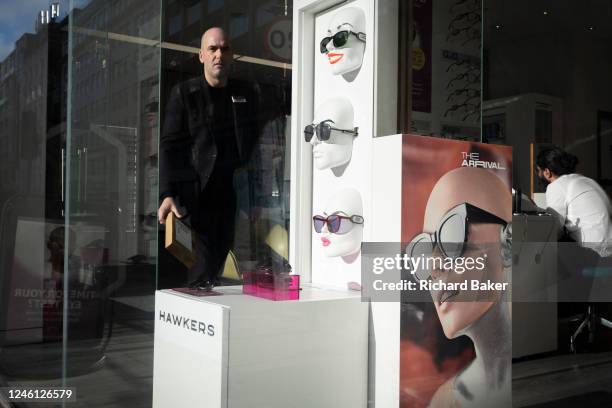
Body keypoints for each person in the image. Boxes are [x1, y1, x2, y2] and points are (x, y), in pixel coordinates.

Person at [157, 27, 259, 287]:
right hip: (194, 200)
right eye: (212, 49)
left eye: (224, 49)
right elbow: (170, 147)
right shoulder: (184, 94)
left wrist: (258, 196)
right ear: (201, 55)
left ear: (232, 55)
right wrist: (167, 194)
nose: (219, 55)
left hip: (233, 199)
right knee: (199, 271)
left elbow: (257, 147)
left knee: (220, 269)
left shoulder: (246, 94)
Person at [407, 167, 512, 407]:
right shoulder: (445, 400)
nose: (433, 269)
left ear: (507, 244)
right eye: (423, 250)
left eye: (451, 235)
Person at [537, 146, 612, 257]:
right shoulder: (588, 180)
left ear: (547, 172)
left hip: (596, 253)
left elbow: (554, 230)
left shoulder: (557, 185)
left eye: (538, 171)